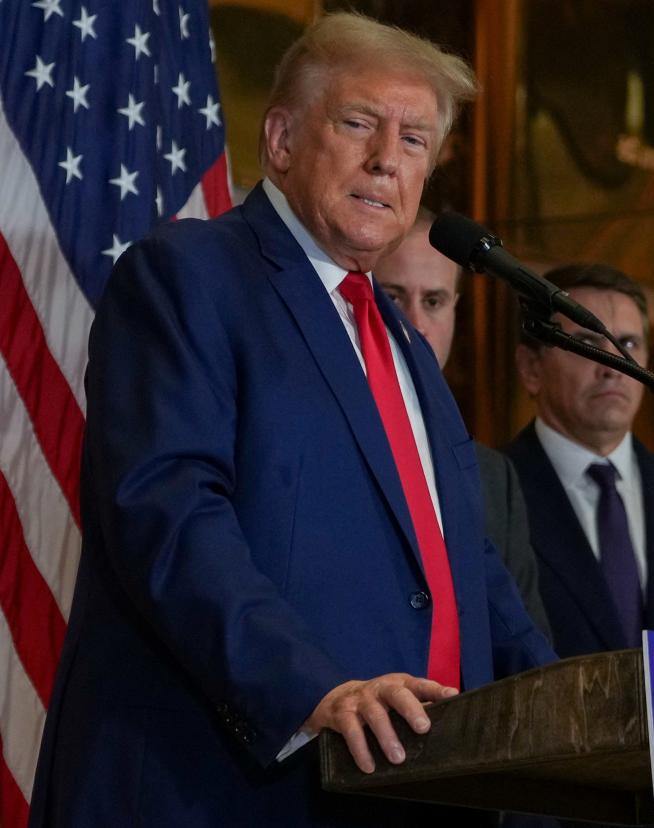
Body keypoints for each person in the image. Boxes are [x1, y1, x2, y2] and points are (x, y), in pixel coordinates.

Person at [29, 14, 554, 827]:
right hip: (224, 789)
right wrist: (314, 688)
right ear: (279, 138)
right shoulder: (188, 277)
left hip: (417, 790)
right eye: (358, 123)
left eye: (415, 139)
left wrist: (564, 713)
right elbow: (166, 513)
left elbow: (468, 569)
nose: (388, 157)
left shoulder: (407, 347)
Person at [504, 264, 654, 658]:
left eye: (627, 345)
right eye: (587, 344)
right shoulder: (490, 493)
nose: (612, 367)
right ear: (532, 368)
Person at [376, 211, 552, 636]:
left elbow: (525, 647)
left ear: (455, 309)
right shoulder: (315, 440)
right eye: (394, 298)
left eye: (433, 301)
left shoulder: (493, 477)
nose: (416, 325)